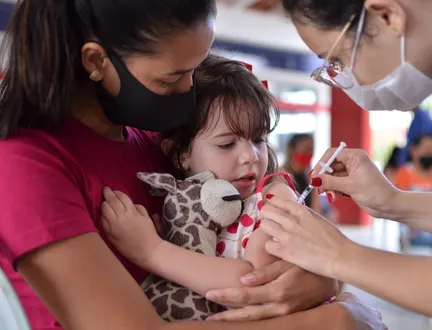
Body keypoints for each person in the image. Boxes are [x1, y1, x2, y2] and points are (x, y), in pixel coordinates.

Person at [0, 1, 385, 330]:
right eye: (173, 78)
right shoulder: (27, 165)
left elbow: (261, 238)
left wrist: (323, 280)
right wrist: (330, 321)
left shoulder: (152, 141)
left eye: (195, 70)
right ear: (96, 60)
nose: (190, 92)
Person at [257, 0, 432, 328]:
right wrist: (393, 202)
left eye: (338, 60)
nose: (343, 78)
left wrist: (339, 256)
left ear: (388, 15)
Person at [100, 54, 341, 320]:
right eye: (227, 144)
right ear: (181, 154)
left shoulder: (270, 206)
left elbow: (251, 283)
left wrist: (152, 251)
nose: (250, 156)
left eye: (258, 139)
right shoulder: (187, 205)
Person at [393, 133, 432, 251]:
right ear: (413, 150)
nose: (430, 154)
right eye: (426, 149)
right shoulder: (404, 174)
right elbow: (399, 204)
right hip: (417, 231)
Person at [282, 133, 322, 212]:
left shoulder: (310, 177)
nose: (309, 154)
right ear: (292, 149)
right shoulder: (281, 176)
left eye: (311, 150)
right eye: (306, 149)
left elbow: (316, 210)